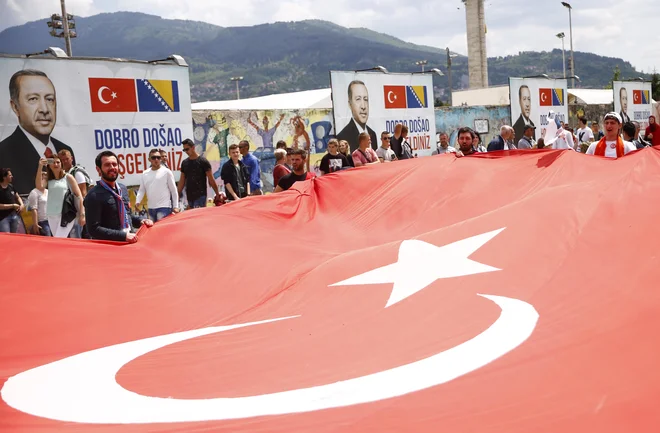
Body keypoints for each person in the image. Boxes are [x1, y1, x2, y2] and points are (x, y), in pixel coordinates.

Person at [0, 69, 75, 195]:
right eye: (33, 99)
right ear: (15, 106)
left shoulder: (65, 150)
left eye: (49, 99)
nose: (44, 109)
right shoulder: (3, 153)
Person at [84, 151, 153, 242]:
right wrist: (123, 236)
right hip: (111, 248)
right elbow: (93, 230)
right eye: (107, 165)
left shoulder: (122, 189)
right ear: (98, 169)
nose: (112, 168)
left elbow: (127, 216)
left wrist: (141, 220)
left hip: (130, 242)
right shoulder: (93, 195)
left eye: (114, 164)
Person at [34, 154, 85, 238]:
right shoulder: (48, 179)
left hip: (66, 214)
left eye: (58, 162)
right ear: (49, 165)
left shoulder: (68, 177)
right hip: (51, 215)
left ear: (61, 164)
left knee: (58, 239)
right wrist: (40, 166)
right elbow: (39, 186)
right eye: (53, 162)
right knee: (60, 242)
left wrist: (82, 214)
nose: (56, 164)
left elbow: (79, 195)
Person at [135, 149, 179, 222]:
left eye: (158, 157)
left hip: (164, 207)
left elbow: (173, 190)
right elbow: (142, 190)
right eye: (153, 157)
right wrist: (137, 201)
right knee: (153, 230)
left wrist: (176, 206)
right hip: (151, 208)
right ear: (149, 159)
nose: (156, 159)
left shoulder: (166, 172)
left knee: (163, 230)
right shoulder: (145, 173)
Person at [178, 138, 222, 209]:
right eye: (184, 150)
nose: (186, 151)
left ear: (193, 147)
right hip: (189, 196)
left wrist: (217, 193)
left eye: (187, 149)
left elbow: (211, 179)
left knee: (198, 217)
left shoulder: (203, 161)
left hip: (200, 195)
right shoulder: (185, 163)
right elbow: (181, 181)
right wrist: (177, 194)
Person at [336, 80, 377, 152]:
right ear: (350, 104)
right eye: (358, 99)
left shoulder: (372, 133)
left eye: (365, 99)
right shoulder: (343, 136)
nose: (363, 106)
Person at [0, 168, 24, 233]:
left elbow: (18, 197)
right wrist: (12, 205)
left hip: (14, 215)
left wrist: (22, 204)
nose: (12, 176)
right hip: (3, 218)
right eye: (10, 175)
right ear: (4, 177)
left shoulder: (11, 186)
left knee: (14, 236)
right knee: (6, 236)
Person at [27, 171, 50, 236]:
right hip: (42, 222)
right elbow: (34, 209)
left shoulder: (48, 191)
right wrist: (35, 224)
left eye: (46, 179)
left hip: (52, 221)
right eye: (43, 178)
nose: (45, 180)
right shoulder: (34, 192)